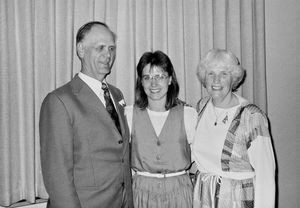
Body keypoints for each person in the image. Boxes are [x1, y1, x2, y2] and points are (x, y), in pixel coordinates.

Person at [39, 21, 133, 208]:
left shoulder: (117, 95)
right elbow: (58, 177)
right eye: (100, 48)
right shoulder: (59, 101)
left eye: (111, 48)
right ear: (81, 50)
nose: (108, 55)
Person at [192, 48, 276, 208]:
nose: (216, 80)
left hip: (236, 200)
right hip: (204, 197)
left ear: (233, 78)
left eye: (224, 74)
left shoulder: (252, 117)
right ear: (204, 77)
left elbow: (266, 175)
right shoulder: (201, 107)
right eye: (211, 73)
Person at [125, 50, 198, 208]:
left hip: (180, 193)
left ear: (170, 79)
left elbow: (199, 159)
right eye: (147, 78)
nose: (153, 83)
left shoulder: (188, 114)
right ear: (141, 82)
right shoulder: (129, 114)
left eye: (160, 76)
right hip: (141, 194)